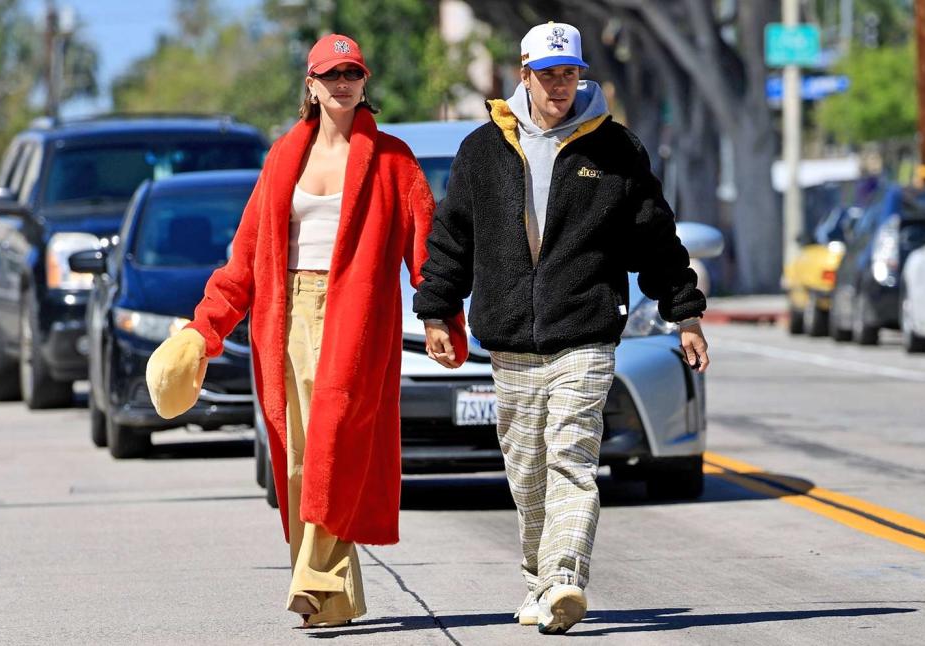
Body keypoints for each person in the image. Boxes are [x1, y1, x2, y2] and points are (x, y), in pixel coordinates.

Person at [145, 34, 467, 628]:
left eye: (353, 73)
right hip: (286, 315)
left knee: (333, 444)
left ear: (364, 82)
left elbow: (428, 248)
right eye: (331, 74)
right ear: (311, 85)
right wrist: (203, 330)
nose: (343, 82)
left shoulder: (393, 160)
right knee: (297, 459)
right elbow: (245, 258)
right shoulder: (282, 158)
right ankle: (332, 600)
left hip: (358, 320)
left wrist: (438, 314)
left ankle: (313, 578)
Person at [413, 22, 710, 635]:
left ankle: (566, 579)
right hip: (511, 336)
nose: (559, 85)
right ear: (523, 74)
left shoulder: (616, 150)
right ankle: (538, 577)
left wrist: (685, 312)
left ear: (581, 73)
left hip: (586, 330)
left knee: (572, 458)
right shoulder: (482, 150)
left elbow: (654, 237)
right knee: (526, 469)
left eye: (569, 73)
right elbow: (451, 238)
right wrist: (436, 308)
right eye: (547, 74)